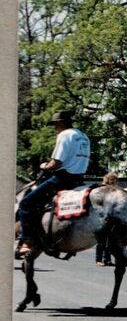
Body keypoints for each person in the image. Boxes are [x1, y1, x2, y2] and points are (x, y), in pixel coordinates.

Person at [16, 110, 91, 258]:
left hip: (63, 178)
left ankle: (27, 241)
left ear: (61, 123)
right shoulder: (83, 136)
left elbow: (56, 162)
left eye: (55, 125)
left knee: (26, 203)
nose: (55, 128)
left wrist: (46, 166)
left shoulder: (65, 135)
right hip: (79, 178)